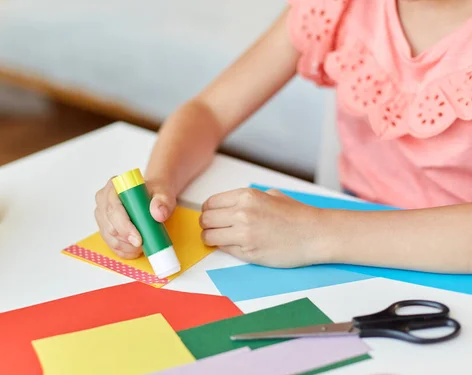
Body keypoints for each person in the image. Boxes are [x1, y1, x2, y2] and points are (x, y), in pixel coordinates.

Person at [94, 0, 472, 274]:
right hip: (350, 238)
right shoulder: (342, 7)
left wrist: (316, 233)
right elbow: (209, 112)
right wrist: (160, 181)